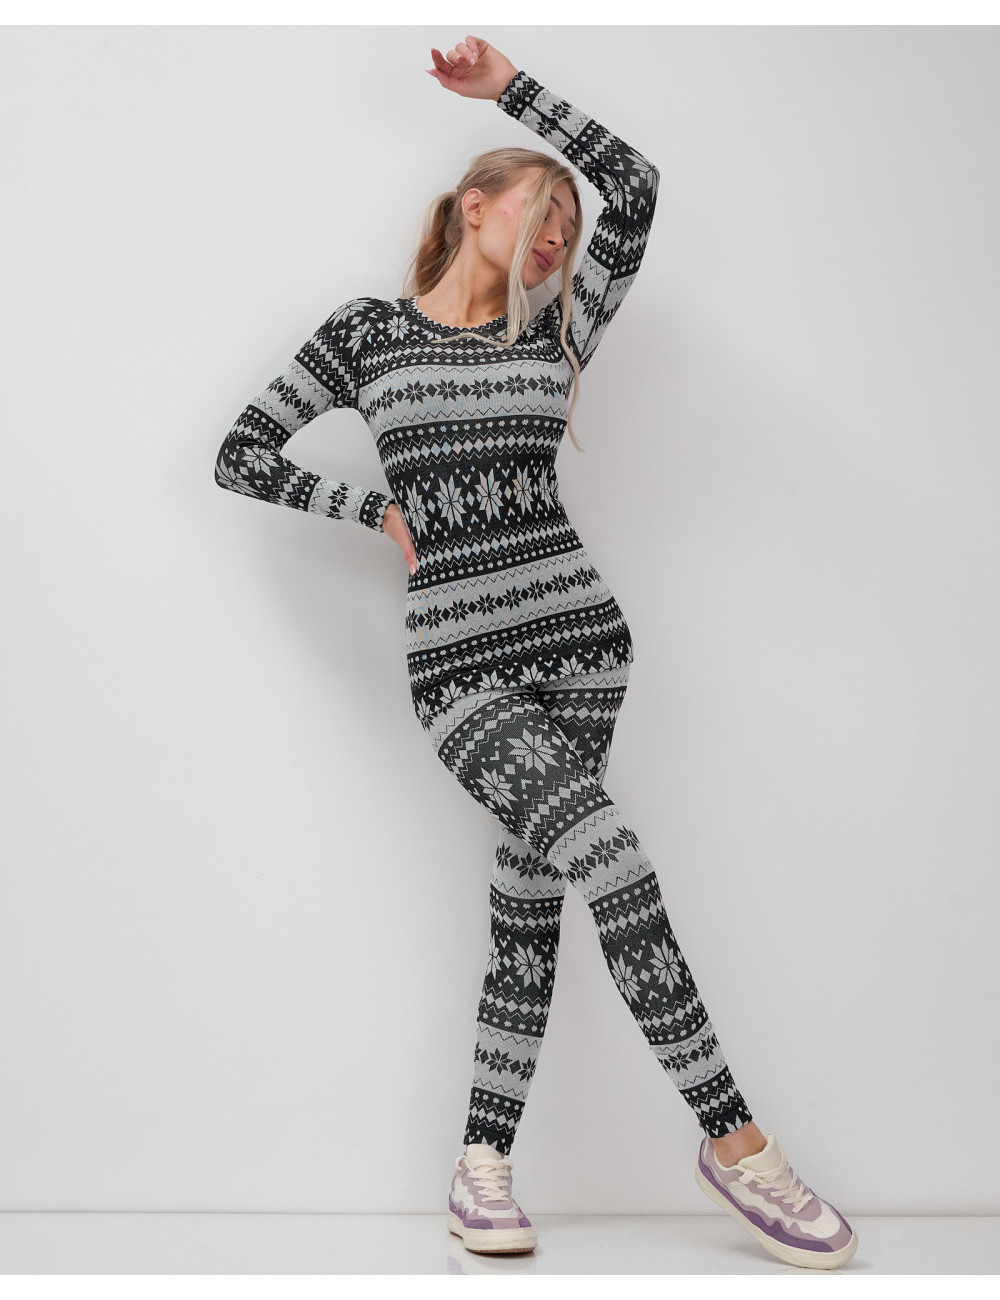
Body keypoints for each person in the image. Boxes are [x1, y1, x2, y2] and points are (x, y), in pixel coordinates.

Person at [214, 34, 858, 1271]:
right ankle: (736, 1145)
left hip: (582, 645)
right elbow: (242, 451)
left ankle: (481, 1166)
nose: (560, 233)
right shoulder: (366, 334)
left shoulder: (557, 327)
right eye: (538, 209)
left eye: (568, 220)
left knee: (530, 909)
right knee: (611, 859)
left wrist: (512, 89)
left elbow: (637, 185)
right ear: (474, 206)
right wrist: (370, 509)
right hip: (461, 671)